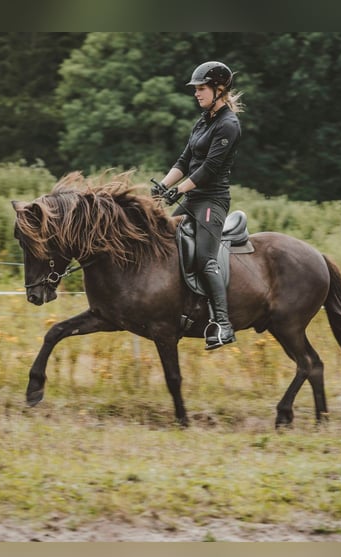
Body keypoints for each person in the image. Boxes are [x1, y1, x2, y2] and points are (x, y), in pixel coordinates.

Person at [152, 61, 243, 350]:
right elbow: (184, 160)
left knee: (205, 258)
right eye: (196, 89)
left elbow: (209, 169)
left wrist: (178, 189)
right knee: (163, 242)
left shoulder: (229, 124)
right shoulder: (203, 120)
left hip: (211, 201)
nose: (196, 94)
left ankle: (224, 324)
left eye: (201, 89)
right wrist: (163, 186)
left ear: (219, 89)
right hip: (192, 198)